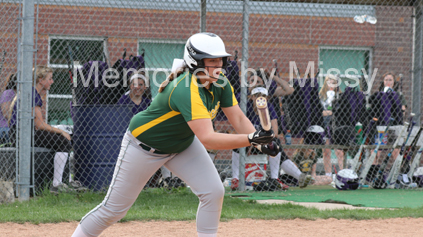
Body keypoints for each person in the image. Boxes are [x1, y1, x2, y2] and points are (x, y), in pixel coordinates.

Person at [71, 33, 279, 237]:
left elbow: (240, 120)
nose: (219, 66)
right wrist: (252, 139)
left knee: (214, 192)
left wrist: (261, 142)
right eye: (212, 61)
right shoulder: (187, 88)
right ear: (195, 62)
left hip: (182, 144)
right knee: (114, 210)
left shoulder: (220, 82)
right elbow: (208, 138)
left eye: (221, 61)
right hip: (143, 146)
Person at [9, 66, 86, 193]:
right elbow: (39, 125)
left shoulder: (31, 92)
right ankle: (57, 184)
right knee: (63, 141)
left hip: (21, 133)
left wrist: (56, 130)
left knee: (59, 138)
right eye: (50, 78)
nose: (52, 81)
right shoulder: (33, 94)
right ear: (40, 80)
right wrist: (61, 131)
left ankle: (66, 180)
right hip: (22, 135)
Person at [230, 86, 311, 191]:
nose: (260, 99)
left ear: (267, 99)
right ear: (251, 97)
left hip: (262, 143)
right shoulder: (246, 107)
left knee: (276, 143)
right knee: (238, 140)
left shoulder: (269, 108)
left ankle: (275, 179)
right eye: (257, 96)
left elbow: (275, 132)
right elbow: (239, 130)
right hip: (247, 143)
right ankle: (235, 179)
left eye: (263, 97)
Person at [318, 75, 343, 182]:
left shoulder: (340, 96)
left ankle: (342, 173)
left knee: (339, 151)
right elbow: (319, 112)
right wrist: (330, 112)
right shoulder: (321, 96)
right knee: (326, 150)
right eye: (329, 82)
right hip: (325, 124)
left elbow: (341, 111)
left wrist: (331, 112)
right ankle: (328, 175)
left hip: (336, 125)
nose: (331, 85)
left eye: (334, 82)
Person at [0, 73, 16, 144]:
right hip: (5, 127)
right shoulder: (8, 93)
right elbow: (6, 113)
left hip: (14, 128)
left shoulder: (22, 94)